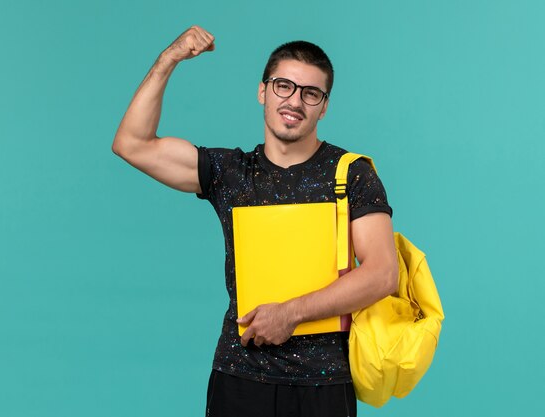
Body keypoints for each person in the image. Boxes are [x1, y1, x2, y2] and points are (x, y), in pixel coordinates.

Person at [112, 26, 398, 417]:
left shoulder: (351, 175)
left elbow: (383, 274)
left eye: (310, 93)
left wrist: (290, 313)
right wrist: (169, 59)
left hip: (323, 383)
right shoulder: (230, 172)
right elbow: (132, 143)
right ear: (263, 91)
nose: (295, 101)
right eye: (284, 86)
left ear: (324, 106)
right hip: (240, 378)